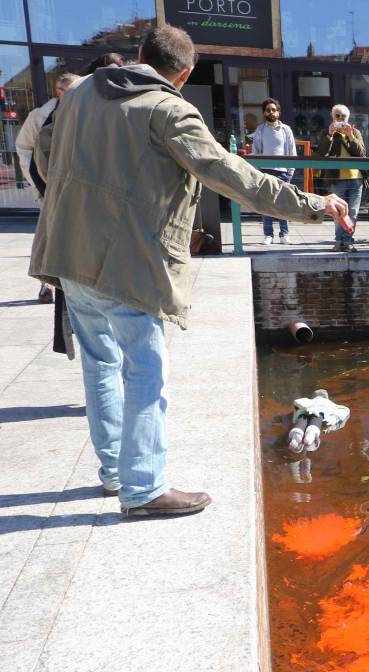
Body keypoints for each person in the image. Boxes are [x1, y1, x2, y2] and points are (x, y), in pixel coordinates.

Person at [28, 25, 348, 517]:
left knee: (100, 365)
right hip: (126, 263)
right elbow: (234, 176)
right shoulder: (169, 110)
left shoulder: (81, 92)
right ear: (186, 72)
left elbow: (45, 155)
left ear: (139, 55)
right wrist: (314, 204)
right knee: (145, 370)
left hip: (67, 252)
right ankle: (144, 489)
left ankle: (114, 473)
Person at [17, 72, 80, 302]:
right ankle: (46, 285)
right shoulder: (40, 116)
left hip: (72, 189)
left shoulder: (79, 111)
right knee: (49, 238)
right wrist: (39, 189)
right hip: (47, 189)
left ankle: (72, 285)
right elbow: (25, 151)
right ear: (59, 92)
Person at [317, 103, 365, 252]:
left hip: (355, 178)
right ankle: (339, 241)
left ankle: (348, 241)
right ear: (332, 117)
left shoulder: (355, 132)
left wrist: (350, 136)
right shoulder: (327, 132)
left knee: (353, 212)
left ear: (347, 118)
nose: (340, 119)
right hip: (336, 179)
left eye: (343, 116)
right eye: (337, 116)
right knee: (337, 212)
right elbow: (322, 153)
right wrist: (329, 135)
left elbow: (362, 153)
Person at [252, 97, 297, 246]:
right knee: (266, 205)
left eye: (273, 109)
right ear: (264, 113)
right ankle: (268, 235)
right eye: (268, 110)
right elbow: (256, 152)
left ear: (278, 112)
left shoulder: (286, 129)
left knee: (283, 205)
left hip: (282, 172)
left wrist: (290, 173)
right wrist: (258, 173)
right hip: (265, 172)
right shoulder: (260, 130)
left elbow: (292, 152)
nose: (271, 112)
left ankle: (284, 234)